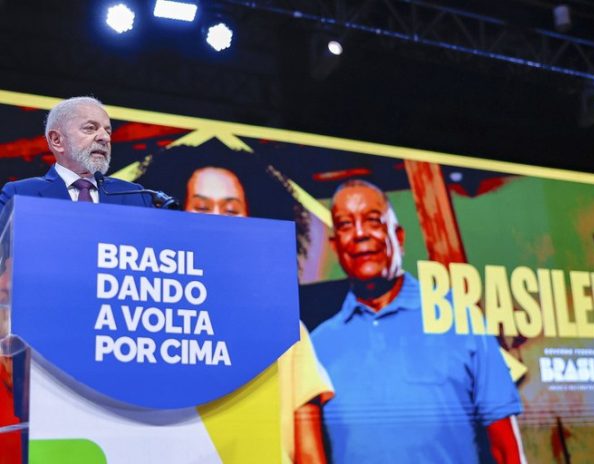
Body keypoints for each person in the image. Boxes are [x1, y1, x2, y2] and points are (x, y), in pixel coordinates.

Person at [311, 179, 525, 464]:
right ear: (335, 245)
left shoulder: (459, 318)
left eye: (373, 220)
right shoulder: (316, 347)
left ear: (398, 237)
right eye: (345, 225)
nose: (360, 233)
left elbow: (506, 451)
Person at [185, 166, 334, 464]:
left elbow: (309, 454)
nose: (217, 220)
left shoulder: (287, 329)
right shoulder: (146, 323)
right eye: (201, 207)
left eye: (231, 210)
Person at [0, 96, 152, 210]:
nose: (105, 138)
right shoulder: (20, 194)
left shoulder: (136, 195)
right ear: (57, 140)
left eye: (108, 131)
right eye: (90, 128)